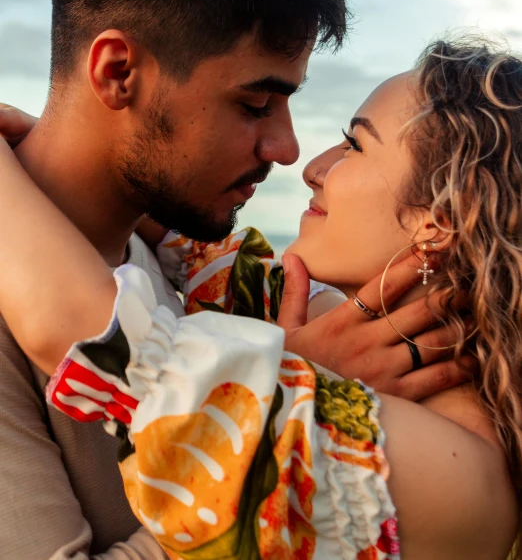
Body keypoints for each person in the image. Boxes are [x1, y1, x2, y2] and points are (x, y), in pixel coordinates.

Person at [0, 0, 457, 560]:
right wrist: (273, 428)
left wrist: (286, 394)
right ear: (118, 72)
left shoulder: (188, 265)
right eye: (255, 101)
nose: (287, 147)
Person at [0, 37, 519, 560]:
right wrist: (70, 158)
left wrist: (295, 375)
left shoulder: (454, 472)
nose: (312, 165)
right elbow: (226, 269)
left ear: (438, 223)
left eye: (354, 145)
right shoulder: (366, 342)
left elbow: (91, 338)